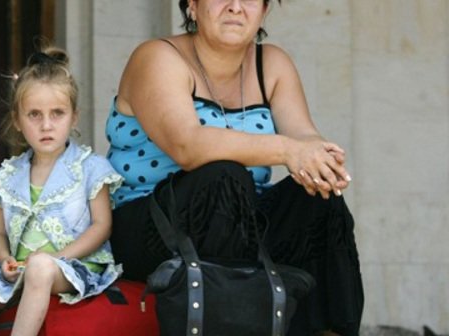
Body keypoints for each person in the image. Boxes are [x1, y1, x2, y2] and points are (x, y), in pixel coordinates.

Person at [105, 0, 363, 335]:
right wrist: (287, 150)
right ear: (192, 7)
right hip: (151, 226)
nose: (236, 7)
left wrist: (318, 158)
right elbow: (187, 145)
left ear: (265, 11)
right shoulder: (157, 57)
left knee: (316, 196)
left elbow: (302, 135)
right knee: (223, 173)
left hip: (241, 222)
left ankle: (329, 331)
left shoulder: (271, 63)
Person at [0, 44, 123, 336]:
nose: (46, 125)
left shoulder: (91, 168)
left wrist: (58, 258)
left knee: (41, 268)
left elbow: (102, 226)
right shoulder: (7, 177)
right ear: (18, 121)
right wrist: (4, 257)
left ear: (74, 117)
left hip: (73, 269)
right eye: (34, 114)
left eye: (57, 113)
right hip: (19, 272)